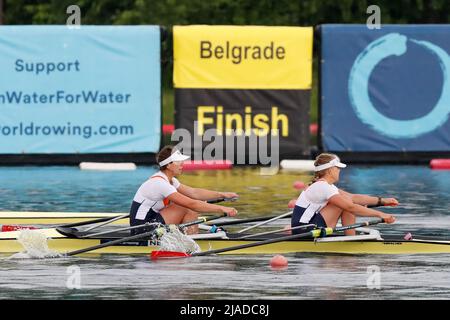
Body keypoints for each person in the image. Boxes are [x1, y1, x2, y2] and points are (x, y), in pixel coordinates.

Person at [129, 145, 238, 235]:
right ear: (168, 165)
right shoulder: (160, 183)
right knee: (187, 207)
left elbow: (194, 193)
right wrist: (223, 209)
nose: (182, 164)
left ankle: (190, 236)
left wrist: (222, 194)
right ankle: (192, 242)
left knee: (188, 205)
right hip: (142, 229)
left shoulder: (170, 180)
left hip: (152, 223)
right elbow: (192, 204)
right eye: (178, 161)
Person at [291, 153, 397, 236]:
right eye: (337, 168)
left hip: (306, 227)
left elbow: (354, 197)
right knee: (346, 204)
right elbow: (350, 206)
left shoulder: (326, 186)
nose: (339, 171)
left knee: (346, 200)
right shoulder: (322, 186)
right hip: (304, 230)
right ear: (329, 170)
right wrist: (381, 214)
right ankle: (351, 241)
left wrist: (383, 201)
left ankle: (350, 239)